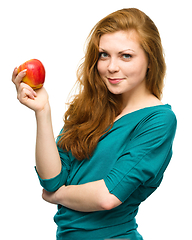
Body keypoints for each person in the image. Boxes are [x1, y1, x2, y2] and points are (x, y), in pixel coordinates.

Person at [12, 8, 177, 240]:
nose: (111, 67)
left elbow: (107, 196)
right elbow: (51, 180)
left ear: (151, 60)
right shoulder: (88, 107)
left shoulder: (158, 120)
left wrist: (58, 196)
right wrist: (42, 111)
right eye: (104, 55)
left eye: (126, 56)